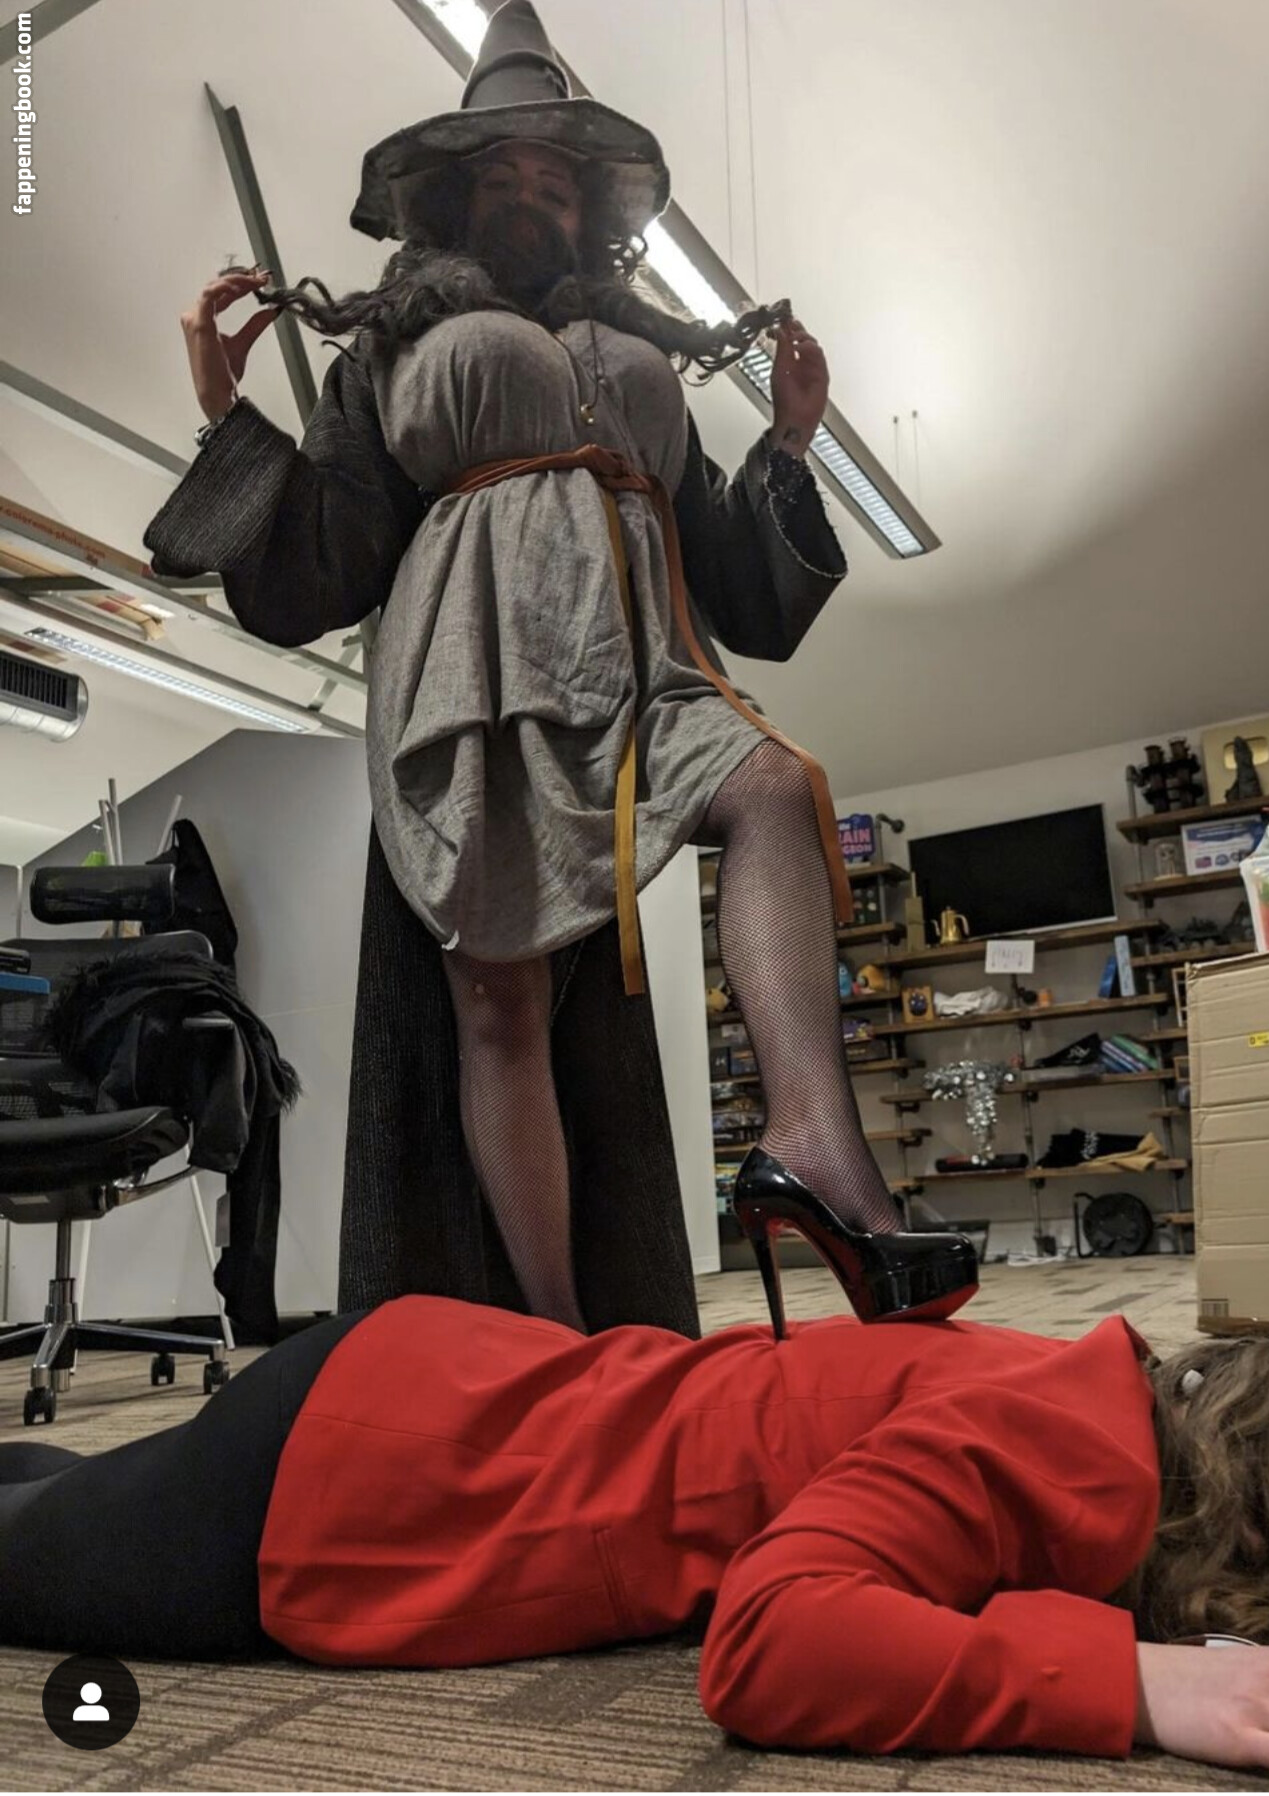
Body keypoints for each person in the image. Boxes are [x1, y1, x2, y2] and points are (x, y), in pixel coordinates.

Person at [141, 0, 976, 1338]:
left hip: (644, 669)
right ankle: (558, 1331)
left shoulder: (635, 351)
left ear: (589, 211)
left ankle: (817, 1150)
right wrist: (224, 415)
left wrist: (790, 445)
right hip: (470, 680)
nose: (532, 196)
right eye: (505, 175)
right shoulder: (393, 346)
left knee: (775, 788)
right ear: (456, 198)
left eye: (556, 181)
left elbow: (728, 570)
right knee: (499, 1003)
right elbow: (325, 558)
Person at [0, 1298, 1269, 1790]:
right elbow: (771, 1640)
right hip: (370, 1481)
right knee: (29, 1559)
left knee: (70, 1501)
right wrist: (1137, 1682)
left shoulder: (1091, 1396)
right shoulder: (1050, 1452)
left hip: (446, 1391)